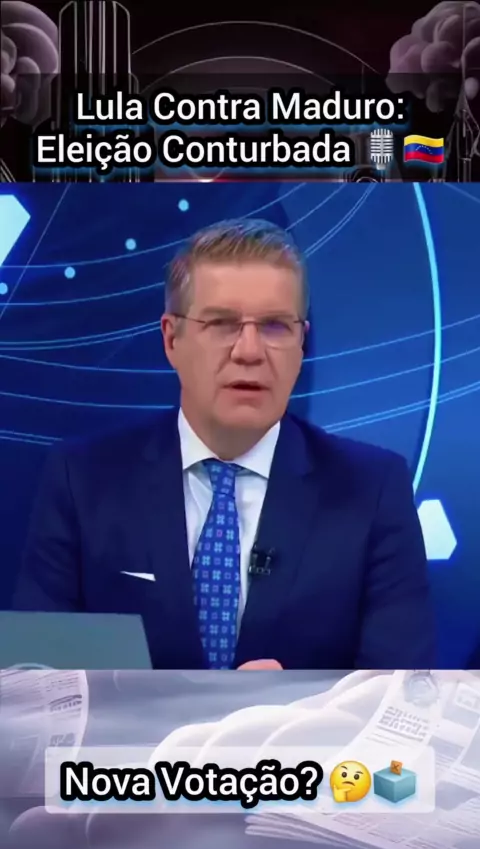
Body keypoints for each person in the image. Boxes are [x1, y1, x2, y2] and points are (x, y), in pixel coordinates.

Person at [13, 218, 437, 670]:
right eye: (222, 324)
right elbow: (35, 679)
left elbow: (400, 689)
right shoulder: (82, 480)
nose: (249, 351)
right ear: (171, 339)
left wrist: (294, 706)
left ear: (301, 344)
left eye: (275, 326)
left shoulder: (373, 491)